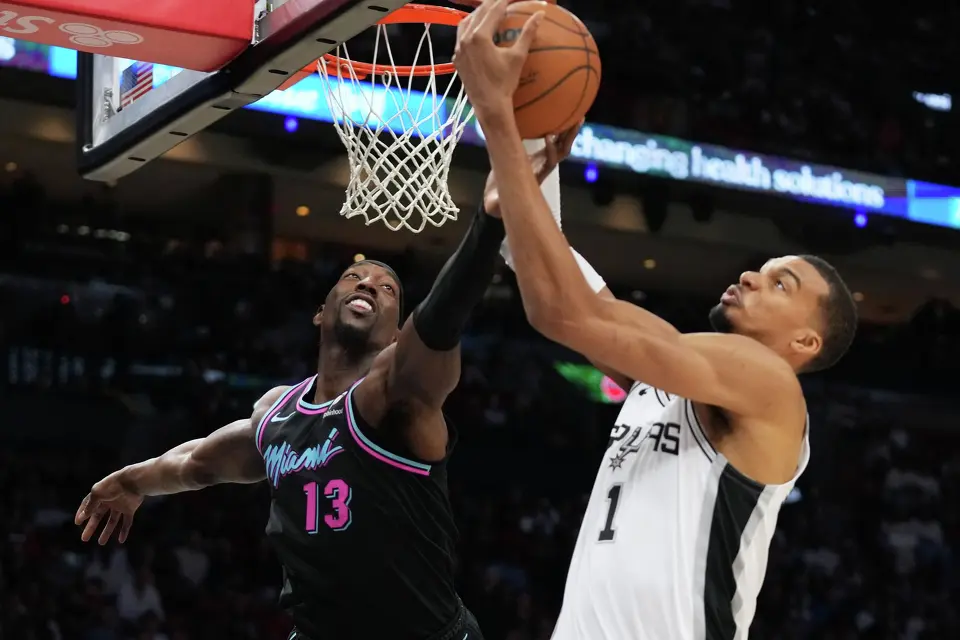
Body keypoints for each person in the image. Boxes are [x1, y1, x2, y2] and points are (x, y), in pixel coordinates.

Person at [453, 1, 858, 639]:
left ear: (805, 341)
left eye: (782, 282)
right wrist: (531, 149)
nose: (753, 274)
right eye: (763, 266)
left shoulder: (771, 384)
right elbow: (566, 281)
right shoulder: (673, 376)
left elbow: (562, 311)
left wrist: (500, 116)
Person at [74, 198, 514, 638]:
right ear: (321, 312)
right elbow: (197, 463)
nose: (367, 285)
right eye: (353, 277)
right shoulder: (276, 412)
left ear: (398, 334)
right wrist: (132, 482)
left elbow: (443, 319)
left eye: (387, 289)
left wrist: (489, 222)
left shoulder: (394, 394)